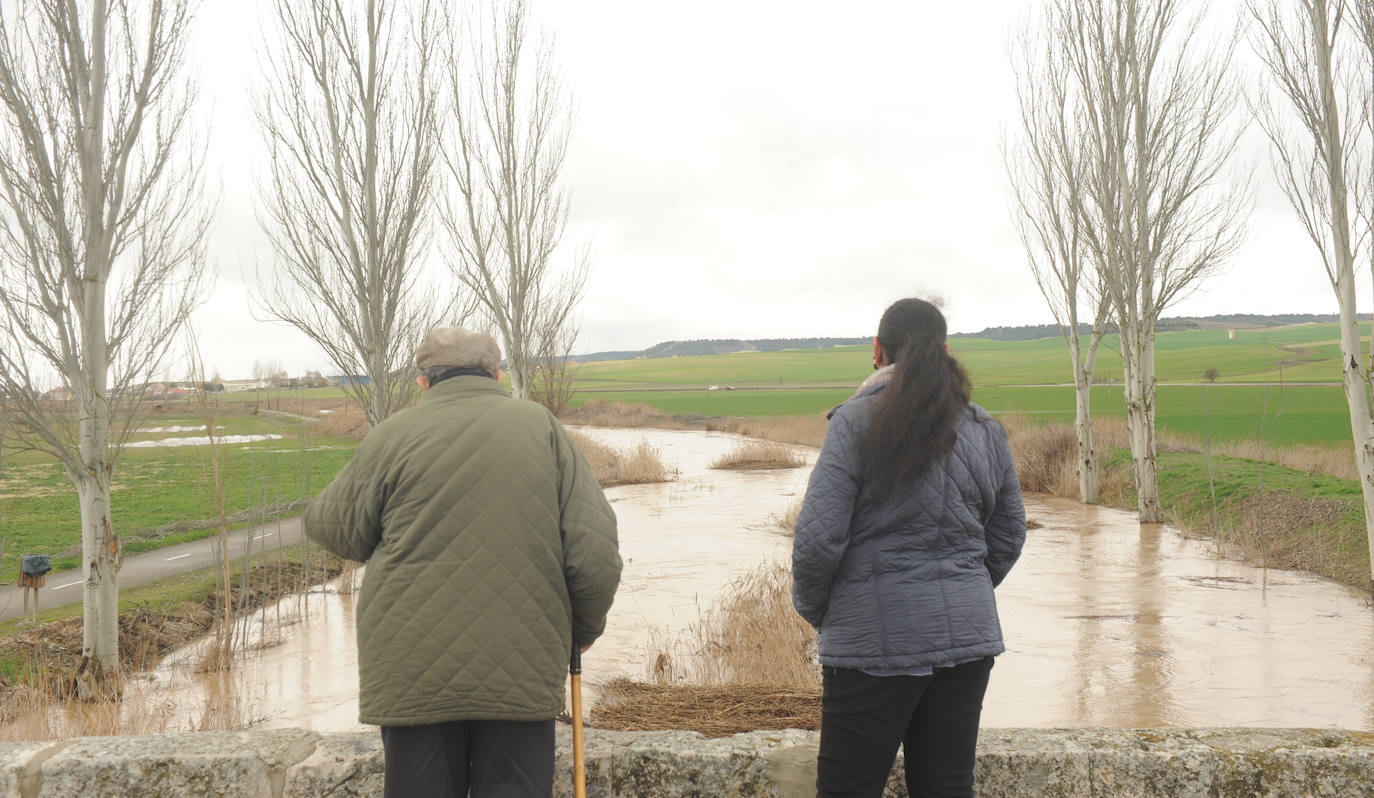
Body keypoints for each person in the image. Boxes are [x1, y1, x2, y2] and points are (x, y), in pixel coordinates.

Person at [304, 327, 622, 798]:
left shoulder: (392, 435)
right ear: (496, 375)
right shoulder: (542, 428)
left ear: (422, 383)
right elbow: (594, 555)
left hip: (411, 672)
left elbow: (333, 528)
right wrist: (580, 634)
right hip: (522, 667)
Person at [791, 298, 1026, 798]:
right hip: (967, 641)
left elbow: (816, 543)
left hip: (870, 646)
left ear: (877, 350)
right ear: (944, 351)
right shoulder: (986, 430)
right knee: (946, 788)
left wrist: (824, 613)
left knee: (847, 790)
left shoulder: (854, 422)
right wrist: (966, 587)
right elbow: (1008, 536)